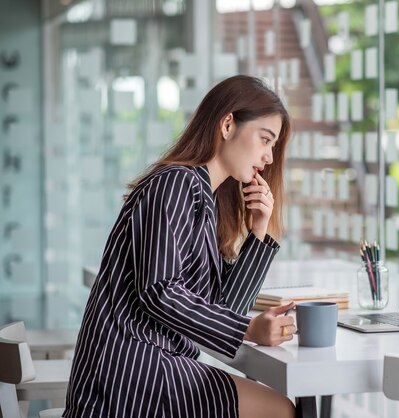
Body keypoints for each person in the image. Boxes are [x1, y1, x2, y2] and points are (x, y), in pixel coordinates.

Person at [63, 75, 296, 418]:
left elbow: (223, 306)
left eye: (273, 146)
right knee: (279, 410)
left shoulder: (203, 198)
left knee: (278, 407)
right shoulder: (176, 184)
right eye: (265, 140)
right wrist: (248, 328)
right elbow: (158, 291)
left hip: (154, 366)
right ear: (228, 124)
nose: (269, 157)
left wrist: (258, 232)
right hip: (129, 372)